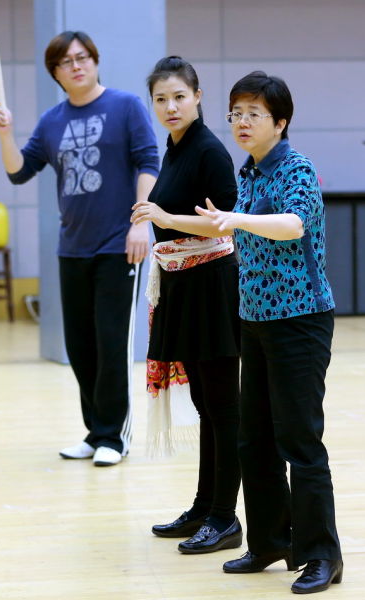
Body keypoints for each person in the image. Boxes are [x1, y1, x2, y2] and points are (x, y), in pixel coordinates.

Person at [193, 71, 343, 594]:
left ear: (280, 122)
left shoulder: (297, 168)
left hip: (301, 321)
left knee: (299, 440)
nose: (241, 122)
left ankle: (322, 554)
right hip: (254, 320)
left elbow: (292, 225)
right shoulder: (247, 173)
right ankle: (270, 542)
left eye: (253, 114)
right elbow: (235, 229)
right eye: (235, 113)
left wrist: (235, 219)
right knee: (252, 439)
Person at [0, 31, 159, 467]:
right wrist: (6, 134)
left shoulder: (125, 107)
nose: (77, 66)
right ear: (56, 74)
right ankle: (94, 430)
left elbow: (148, 162)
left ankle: (114, 438)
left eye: (83, 57)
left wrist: (140, 223)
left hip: (119, 245)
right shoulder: (51, 121)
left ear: (95, 61)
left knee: (110, 342)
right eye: (66, 62)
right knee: (80, 347)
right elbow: (19, 172)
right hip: (73, 248)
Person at [131, 56, 242, 554]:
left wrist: (162, 213)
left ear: (198, 96)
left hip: (212, 286)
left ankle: (224, 518)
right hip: (182, 283)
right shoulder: (174, 148)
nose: (170, 106)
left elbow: (224, 221)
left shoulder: (210, 151)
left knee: (221, 406)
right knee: (205, 405)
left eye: (179, 96)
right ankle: (204, 507)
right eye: (161, 99)